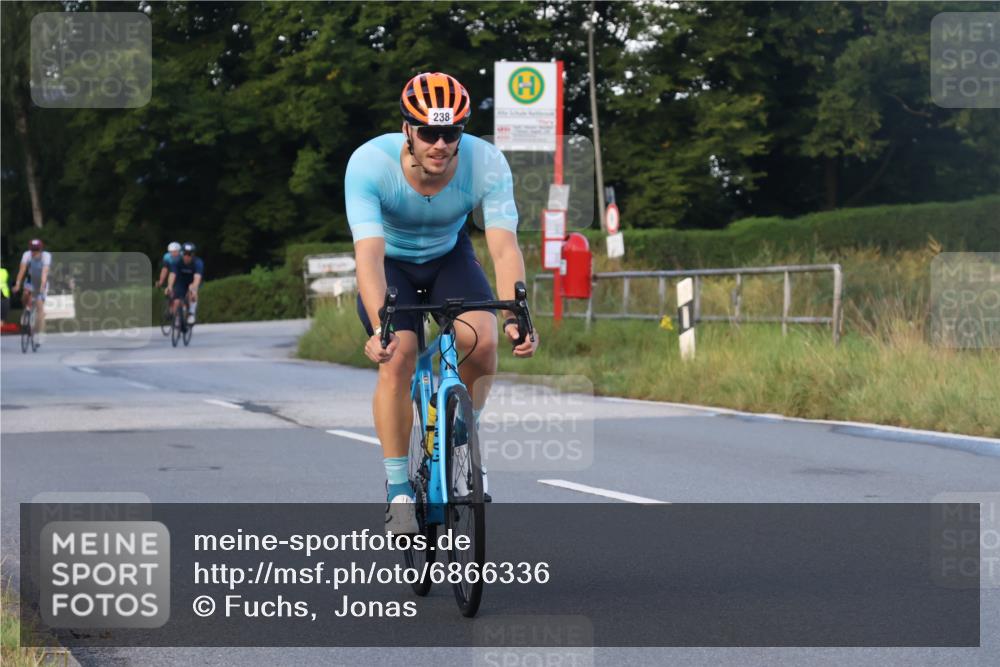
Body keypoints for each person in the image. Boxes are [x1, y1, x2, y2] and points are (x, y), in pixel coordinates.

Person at [345, 72, 539, 534]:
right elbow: (368, 257)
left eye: (450, 132)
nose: (439, 143)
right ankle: (397, 490)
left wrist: (517, 313)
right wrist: (380, 329)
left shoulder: (486, 163)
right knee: (400, 357)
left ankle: (458, 436)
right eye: (428, 132)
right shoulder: (369, 164)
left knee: (484, 341)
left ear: (462, 132)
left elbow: (504, 248)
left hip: (449, 258)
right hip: (392, 265)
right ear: (408, 129)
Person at [13, 239, 51, 343]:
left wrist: (42, 288)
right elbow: (22, 270)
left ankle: (40, 334)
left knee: (40, 310)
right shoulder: (27, 255)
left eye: (37, 250)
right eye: (32, 250)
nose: (34, 252)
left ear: (41, 249)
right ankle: (26, 310)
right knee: (25, 294)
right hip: (30, 279)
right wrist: (17, 284)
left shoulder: (46, 256)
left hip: (41, 280)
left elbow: (45, 272)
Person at [166, 242, 203, 325]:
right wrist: (170, 286)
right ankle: (178, 317)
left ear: (193, 255)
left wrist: (194, 288)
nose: (187, 256)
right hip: (181, 281)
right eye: (185, 254)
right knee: (176, 300)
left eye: (189, 254)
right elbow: (172, 275)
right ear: (182, 253)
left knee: (192, 292)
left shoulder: (198, 262)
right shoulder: (177, 261)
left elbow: (197, 278)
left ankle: (191, 313)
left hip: (192, 281)